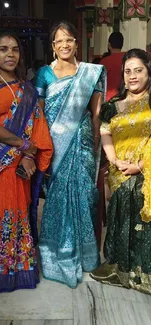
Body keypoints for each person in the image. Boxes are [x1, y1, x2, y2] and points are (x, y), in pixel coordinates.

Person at [34, 21, 106, 288]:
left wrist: (97, 141)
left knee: (85, 193)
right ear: (53, 46)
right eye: (59, 41)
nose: (65, 45)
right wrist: (42, 145)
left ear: (77, 43)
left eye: (69, 40)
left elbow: (96, 113)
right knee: (58, 196)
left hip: (83, 141)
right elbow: (39, 113)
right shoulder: (44, 73)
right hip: (55, 143)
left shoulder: (89, 73)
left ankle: (86, 256)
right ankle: (59, 254)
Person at [90, 48, 151, 295]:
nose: (132, 76)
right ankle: (121, 267)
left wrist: (139, 166)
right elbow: (105, 132)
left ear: (148, 72)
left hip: (145, 171)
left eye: (138, 70)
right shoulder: (113, 105)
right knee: (120, 216)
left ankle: (141, 272)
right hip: (118, 172)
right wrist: (114, 160)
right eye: (128, 71)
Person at [0, 31, 53, 292]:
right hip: (0, 161)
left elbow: (38, 125)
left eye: (14, 49)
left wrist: (29, 155)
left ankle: (14, 269)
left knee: (16, 213)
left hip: (18, 166)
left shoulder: (27, 90)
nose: (10, 54)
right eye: (3, 48)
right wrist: (21, 145)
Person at [100, 32, 124, 101]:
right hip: (124, 97)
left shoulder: (104, 61)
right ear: (122, 45)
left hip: (108, 99)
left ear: (109, 45)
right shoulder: (127, 59)